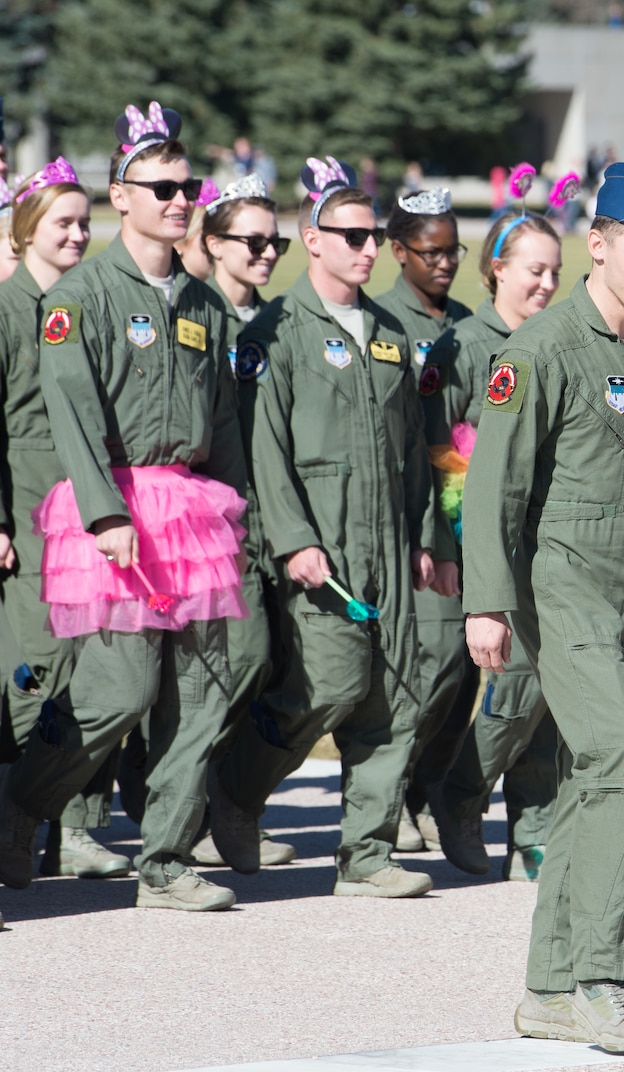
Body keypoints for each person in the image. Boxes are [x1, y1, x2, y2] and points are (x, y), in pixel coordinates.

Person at [461, 162, 624, 1054]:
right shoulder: (537, 354)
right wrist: (488, 605)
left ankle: (547, 988)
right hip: (558, 591)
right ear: (600, 243)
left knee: (597, 778)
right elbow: (496, 492)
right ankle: (601, 980)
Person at [0, 102, 249, 911]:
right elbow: (68, 411)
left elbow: (223, 422)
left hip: (191, 508)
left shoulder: (203, 306)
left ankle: (168, 860)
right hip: (114, 507)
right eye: (164, 187)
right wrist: (106, 515)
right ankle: (23, 807)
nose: (181, 201)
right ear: (122, 193)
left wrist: (238, 512)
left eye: (189, 187)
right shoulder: (84, 294)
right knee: (120, 690)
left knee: (204, 689)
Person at [207, 156, 441, 899]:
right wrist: (292, 539)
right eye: (351, 236)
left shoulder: (387, 333)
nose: (368, 249)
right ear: (312, 238)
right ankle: (235, 794)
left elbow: (413, 449)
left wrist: (428, 540)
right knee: (326, 687)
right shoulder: (277, 331)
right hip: (321, 541)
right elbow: (263, 448)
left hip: (389, 542)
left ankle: (365, 855)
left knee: (395, 696)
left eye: (374, 236)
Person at [0, 157, 131, 879]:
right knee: (35, 670)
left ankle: (73, 826)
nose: (80, 235)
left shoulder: (88, 308)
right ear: (25, 231)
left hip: (90, 507)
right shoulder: (7, 312)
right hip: (27, 509)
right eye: (64, 223)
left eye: (86, 223)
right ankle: (15, 822)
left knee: (94, 666)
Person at [425, 210, 565, 883]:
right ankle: (461, 790)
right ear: (497, 268)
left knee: (554, 687)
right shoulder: (466, 345)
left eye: (555, 272)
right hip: (480, 536)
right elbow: (431, 448)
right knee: (516, 679)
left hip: (552, 540)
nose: (546, 284)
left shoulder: (557, 341)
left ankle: (532, 828)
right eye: (533, 270)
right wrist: (444, 544)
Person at [186, 173, 299, 869]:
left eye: (274, 241)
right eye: (251, 241)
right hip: (204, 519)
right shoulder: (193, 316)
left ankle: (224, 804)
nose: (265, 253)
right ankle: (187, 809)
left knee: (265, 666)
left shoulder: (276, 322)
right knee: (230, 661)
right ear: (213, 243)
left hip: (270, 517)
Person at [373, 186, 475, 855]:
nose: (443, 264)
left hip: (466, 510)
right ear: (398, 251)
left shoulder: (465, 322)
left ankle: (424, 790)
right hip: (414, 513)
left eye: (452, 252)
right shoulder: (382, 319)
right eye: (429, 253)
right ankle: (392, 798)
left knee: (464, 670)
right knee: (427, 667)